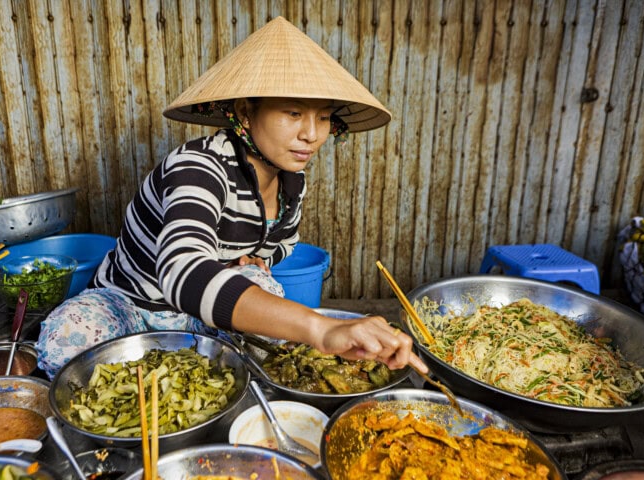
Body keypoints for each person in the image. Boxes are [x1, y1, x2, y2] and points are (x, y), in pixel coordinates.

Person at [35, 16, 428, 380]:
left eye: (323, 117)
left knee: (265, 289)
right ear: (245, 112)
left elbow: (279, 246)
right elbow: (180, 270)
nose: (312, 134)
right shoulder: (198, 166)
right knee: (66, 343)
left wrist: (256, 260)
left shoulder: (292, 180)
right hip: (130, 306)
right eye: (293, 112)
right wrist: (321, 328)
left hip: (198, 319)